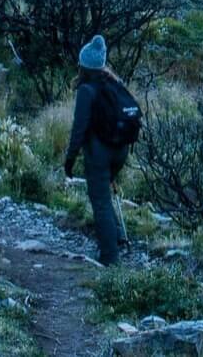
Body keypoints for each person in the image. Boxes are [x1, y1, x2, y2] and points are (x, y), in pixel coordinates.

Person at [64, 36, 132, 266]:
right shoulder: (114, 83)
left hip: (99, 153)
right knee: (104, 193)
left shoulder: (87, 90)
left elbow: (78, 129)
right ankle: (118, 235)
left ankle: (110, 258)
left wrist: (70, 159)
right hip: (120, 150)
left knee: (100, 200)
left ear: (84, 66)